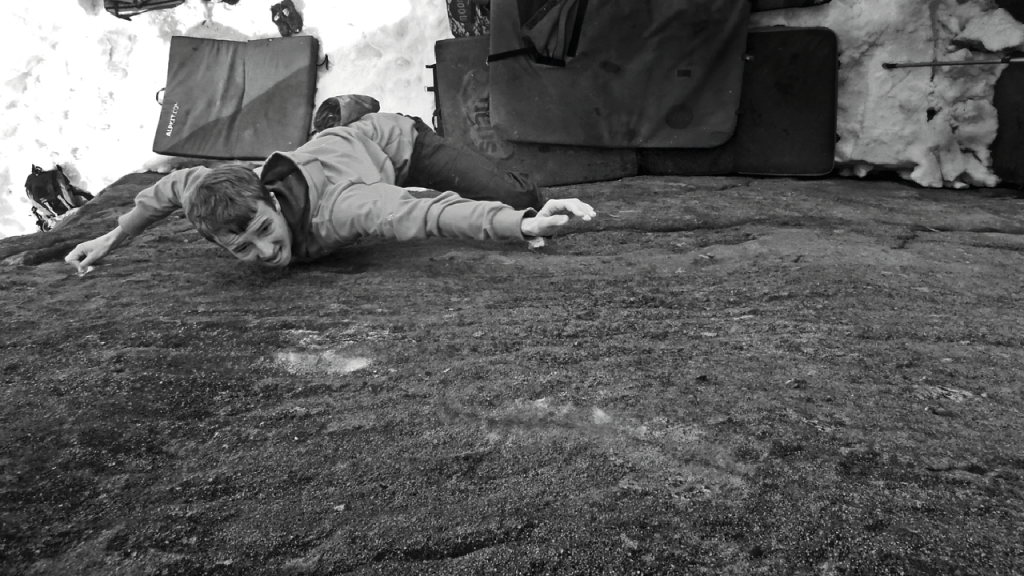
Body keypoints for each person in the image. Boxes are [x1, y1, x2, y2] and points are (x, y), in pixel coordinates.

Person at [65, 107, 596, 272]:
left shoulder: (343, 210)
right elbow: (167, 190)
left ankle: (359, 112)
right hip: (339, 153)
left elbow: (424, 214)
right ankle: (339, 116)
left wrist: (520, 222)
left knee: (518, 196)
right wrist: (111, 238)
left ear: (271, 199)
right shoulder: (212, 196)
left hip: (401, 146)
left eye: (264, 231)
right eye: (243, 248)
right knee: (335, 138)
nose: (267, 251)